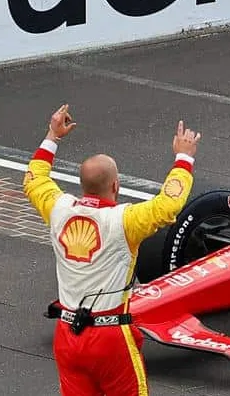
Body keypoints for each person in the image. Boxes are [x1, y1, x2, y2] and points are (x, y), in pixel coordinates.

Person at [23, 104, 200, 396]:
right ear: (116, 185)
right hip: (110, 336)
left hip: (68, 335)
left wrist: (52, 136)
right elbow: (168, 205)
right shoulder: (125, 220)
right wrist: (184, 158)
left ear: (82, 185)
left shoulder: (58, 208)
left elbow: (34, 179)